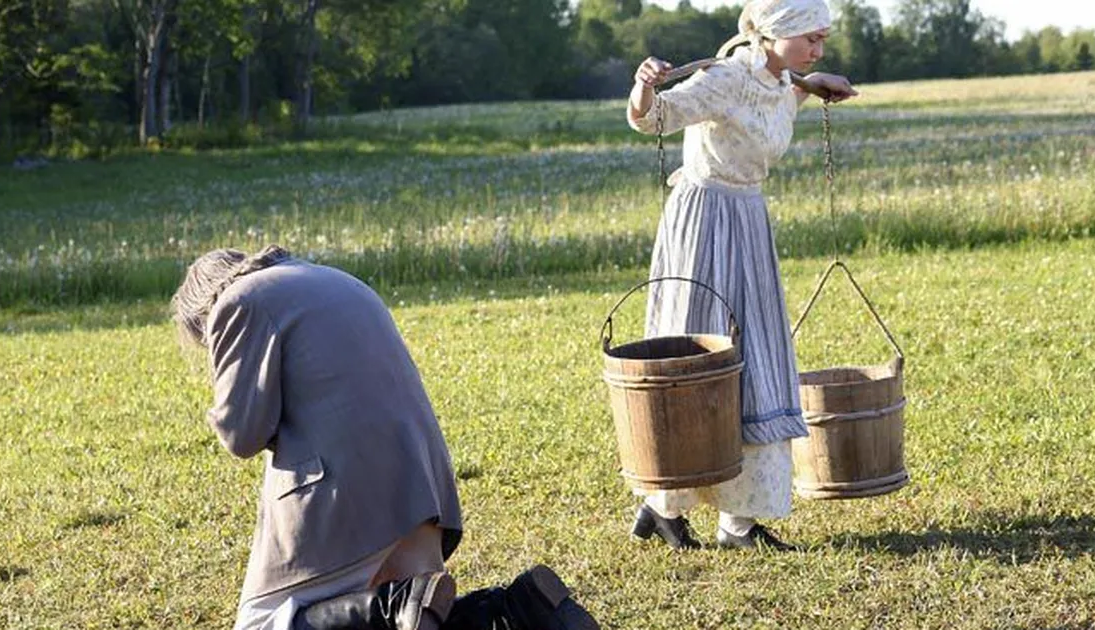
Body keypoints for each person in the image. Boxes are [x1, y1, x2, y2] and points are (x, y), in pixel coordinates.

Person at [171, 245, 599, 630]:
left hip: (346, 495)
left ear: (201, 312)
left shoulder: (238, 302)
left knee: (262, 622)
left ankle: (390, 610)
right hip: (422, 487)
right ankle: (516, 609)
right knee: (426, 617)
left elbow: (242, 435)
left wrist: (219, 404)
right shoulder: (337, 279)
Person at [624, 0, 858, 551]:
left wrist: (813, 82)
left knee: (755, 360)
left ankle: (739, 521)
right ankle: (664, 504)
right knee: (696, 359)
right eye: (810, 39)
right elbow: (652, 119)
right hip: (704, 221)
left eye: (823, 40)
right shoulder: (725, 78)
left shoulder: (781, 80)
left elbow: (777, 91)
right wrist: (644, 85)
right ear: (775, 34)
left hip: (749, 218)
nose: (818, 49)